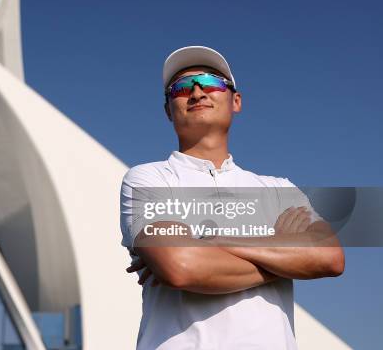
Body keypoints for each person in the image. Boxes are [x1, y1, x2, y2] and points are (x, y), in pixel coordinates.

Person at [120, 46, 344, 350]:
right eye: (181, 88)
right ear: (167, 110)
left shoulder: (278, 189)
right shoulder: (149, 179)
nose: (197, 92)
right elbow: (181, 267)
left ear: (235, 100)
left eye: (210, 82)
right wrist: (281, 250)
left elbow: (329, 258)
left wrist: (210, 240)